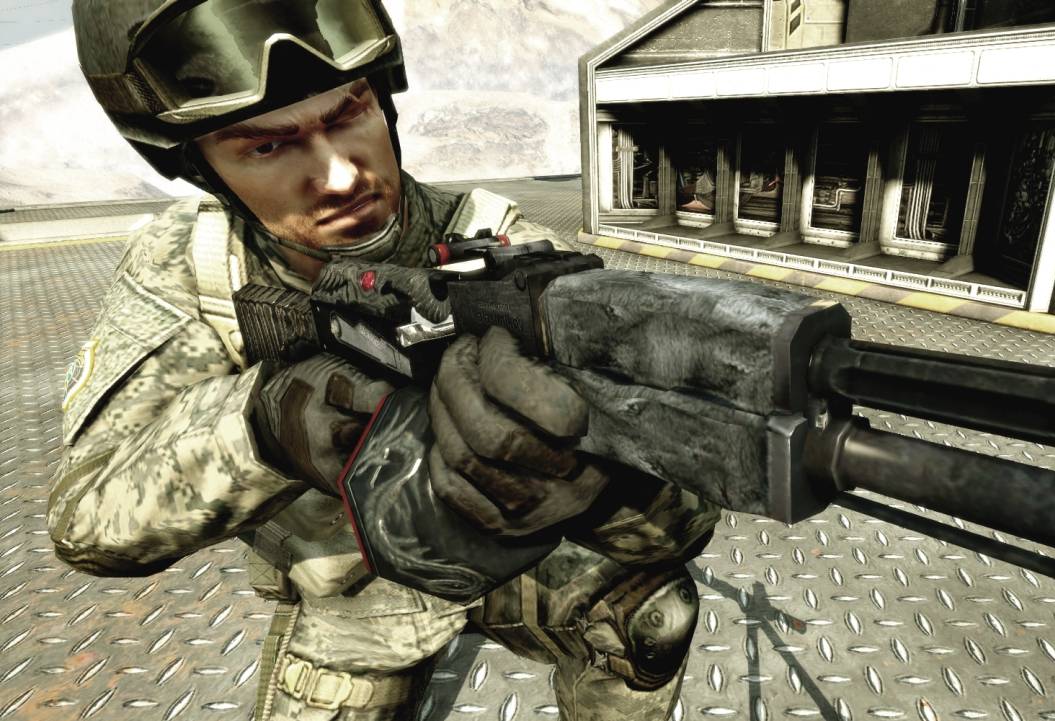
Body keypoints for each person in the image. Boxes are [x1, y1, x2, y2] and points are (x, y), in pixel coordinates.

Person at [49, 2, 720, 719]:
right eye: (269, 146)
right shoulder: (201, 266)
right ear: (200, 167)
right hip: (355, 592)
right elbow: (86, 525)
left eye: (348, 115)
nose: (341, 175)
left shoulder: (497, 245)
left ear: (384, 103)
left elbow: (684, 520)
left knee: (652, 615)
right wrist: (259, 425)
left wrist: (608, 486)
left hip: (509, 554)